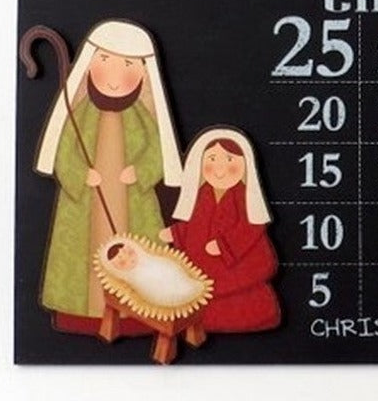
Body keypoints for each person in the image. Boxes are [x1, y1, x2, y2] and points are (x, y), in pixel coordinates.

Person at [33, 20, 182, 336]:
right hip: (85, 203)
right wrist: (79, 174)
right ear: (90, 64)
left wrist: (140, 171)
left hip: (131, 200)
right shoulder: (80, 116)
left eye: (128, 65)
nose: (115, 76)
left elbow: (157, 151)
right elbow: (64, 153)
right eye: (105, 60)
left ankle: (135, 316)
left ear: (143, 73)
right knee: (85, 256)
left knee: (134, 255)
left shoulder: (143, 118)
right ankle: (82, 314)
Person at [160, 127, 280, 333]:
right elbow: (194, 223)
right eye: (212, 159)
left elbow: (251, 226)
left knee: (235, 293)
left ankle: (242, 318)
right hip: (203, 261)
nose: (220, 169)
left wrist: (226, 245)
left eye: (229, 160)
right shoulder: (202, 194)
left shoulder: (245, 197)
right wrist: (177, 232)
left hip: (236, 260)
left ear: (245, 165)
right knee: (200, 291)